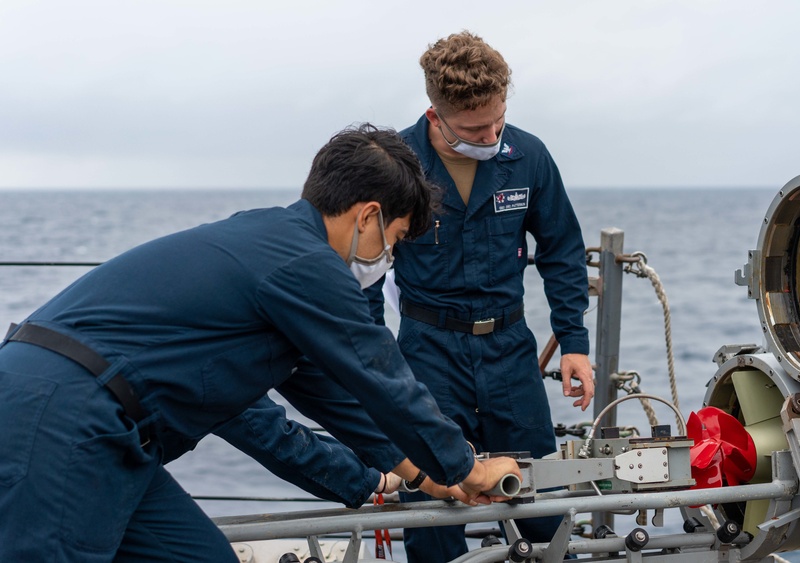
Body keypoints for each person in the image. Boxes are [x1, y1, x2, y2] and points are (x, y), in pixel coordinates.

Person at [0, 124, 519, 562]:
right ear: (368, 216)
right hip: (63, 422)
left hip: (101, 429)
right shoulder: (309, 265)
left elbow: (332, 389)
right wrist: (467, 467)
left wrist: (423, 474)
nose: (389, 256)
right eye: (397, 239)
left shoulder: (271, 245)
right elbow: (380, 373)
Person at [366, 31, 595, 562]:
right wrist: (374, 365)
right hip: (427, 351)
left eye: (498, 120)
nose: (490, 135)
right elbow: (368, 275)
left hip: (510, 349)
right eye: (473, 128)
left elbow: (561, 248)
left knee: (539, 493)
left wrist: (575, 344)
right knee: (436, 501)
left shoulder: (529, 155)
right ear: (435, 114)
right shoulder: (395, 165)